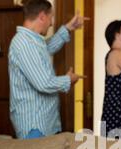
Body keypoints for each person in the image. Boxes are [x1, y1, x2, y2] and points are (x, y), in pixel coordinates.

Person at [9, 0, 87, 139]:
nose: (51, 23)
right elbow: (43, 83)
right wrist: (68, 80)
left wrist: (68, 28)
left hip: (44, 124)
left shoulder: (33, 41)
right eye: (51, 18)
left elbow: (47, 48)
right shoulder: (24, 43)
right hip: (35, 127)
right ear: (42, 16)